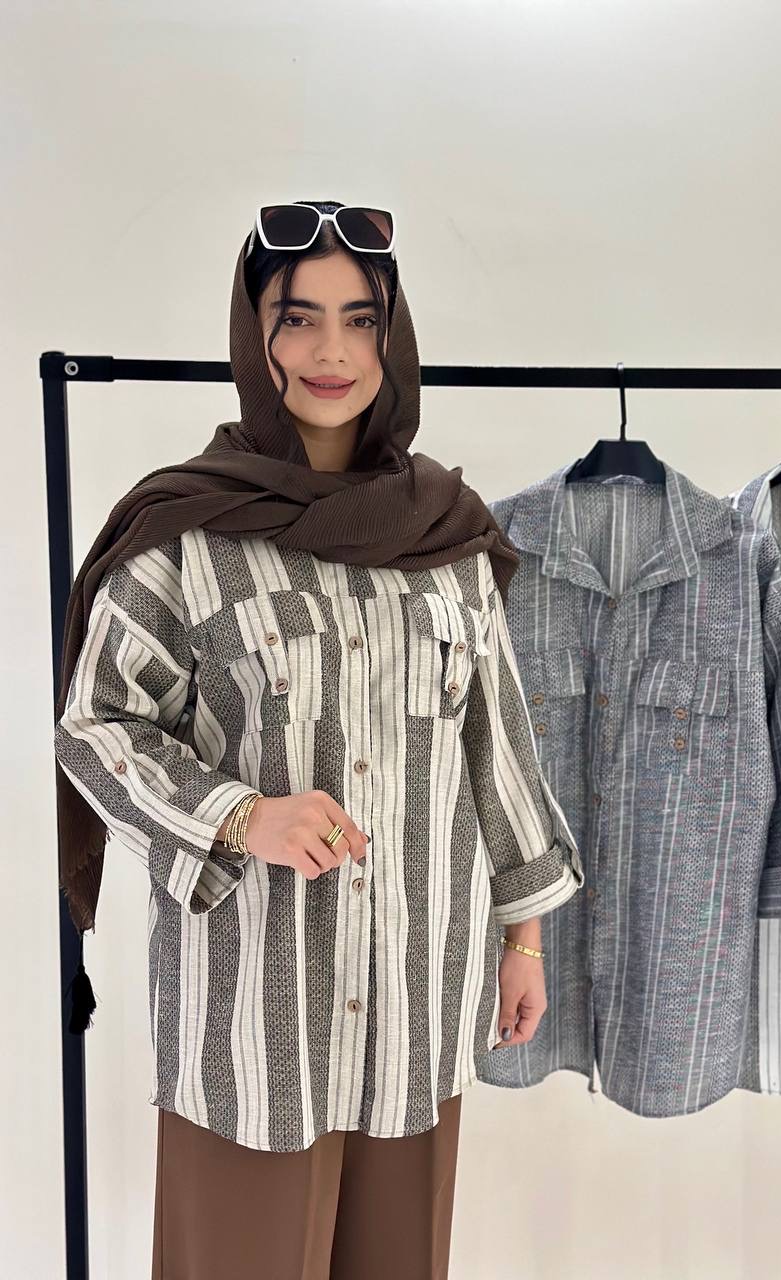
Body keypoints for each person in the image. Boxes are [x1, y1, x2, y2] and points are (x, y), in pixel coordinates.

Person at [53, 200, 584, 1279]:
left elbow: (497, 745)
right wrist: (243, 815)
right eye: (297, 319)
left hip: (415, 1006)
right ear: (254, 334)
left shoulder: (449, 536)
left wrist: (523, 938)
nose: (331, 351)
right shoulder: (187, 536)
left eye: (360, 318)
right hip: (254, 1026)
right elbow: (96, 726)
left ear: (394, 336)